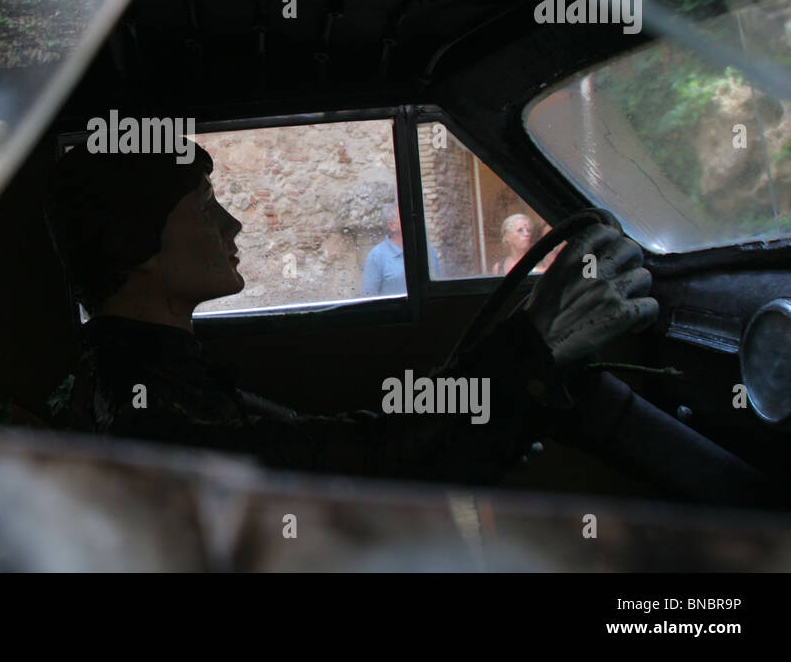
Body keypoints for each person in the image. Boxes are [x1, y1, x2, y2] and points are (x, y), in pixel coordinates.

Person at [43, 141, 670, 486]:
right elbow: (352, 467)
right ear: (138, 246)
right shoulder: (152, 402)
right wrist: (533, 350)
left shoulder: (136, 373)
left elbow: (321, 442)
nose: (232, 225)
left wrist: (494, 402)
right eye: (206, 210)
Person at [361, 202, 442, 296]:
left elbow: (437, 287)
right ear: (392, 226)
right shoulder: (376, 256)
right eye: (406, 216)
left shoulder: (426, 249)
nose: (413, 219)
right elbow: (369, 296)